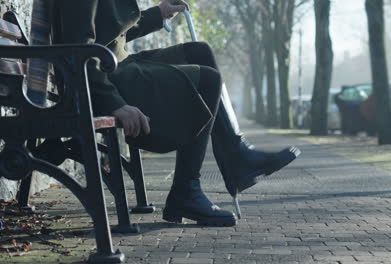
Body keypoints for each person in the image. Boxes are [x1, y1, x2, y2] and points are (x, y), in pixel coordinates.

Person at [51, 0, 301, 227]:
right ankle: (186, 190)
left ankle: (235, 153)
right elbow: (79, 50)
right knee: (208, 81)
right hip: (103, 79)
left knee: (200, 52)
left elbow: (112, 30)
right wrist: (114, 103)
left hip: (117, 65)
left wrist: (157, 14)